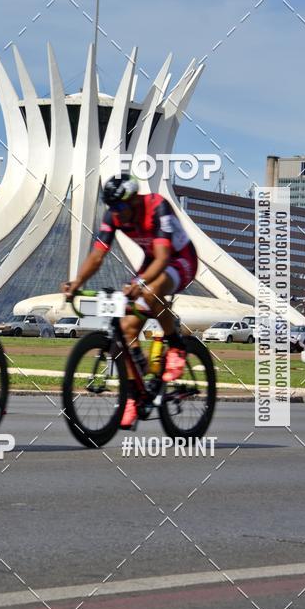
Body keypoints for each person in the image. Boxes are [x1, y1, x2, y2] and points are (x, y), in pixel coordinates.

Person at [62, 173, 198, 429]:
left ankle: (177, 345)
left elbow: (162, 258)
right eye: (111, 207)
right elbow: (97, 256)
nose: (116, 213)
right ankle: (136, 393)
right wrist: (76, 283)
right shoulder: (113, 215)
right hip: (152, 263)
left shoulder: (157, 206)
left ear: (134, 199)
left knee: (149, 290)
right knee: (125, 330)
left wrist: (141, 283)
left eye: (120, 207)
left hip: (179, 259)